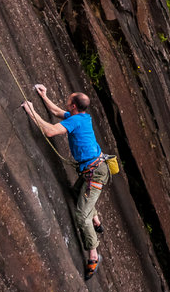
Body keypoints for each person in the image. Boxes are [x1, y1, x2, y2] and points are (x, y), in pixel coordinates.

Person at [21, 84, 110, 280]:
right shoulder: (81, 117)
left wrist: (31, 111)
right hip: (91, 171)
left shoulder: (77, 121)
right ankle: (96, 220)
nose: (66, 102)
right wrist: (44, 95)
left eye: (69, 101)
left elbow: (51, 131)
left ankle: (94, 254)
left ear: (74, 106)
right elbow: (55, 111)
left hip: (95, 174)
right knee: (77, 195)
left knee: (81, 216)